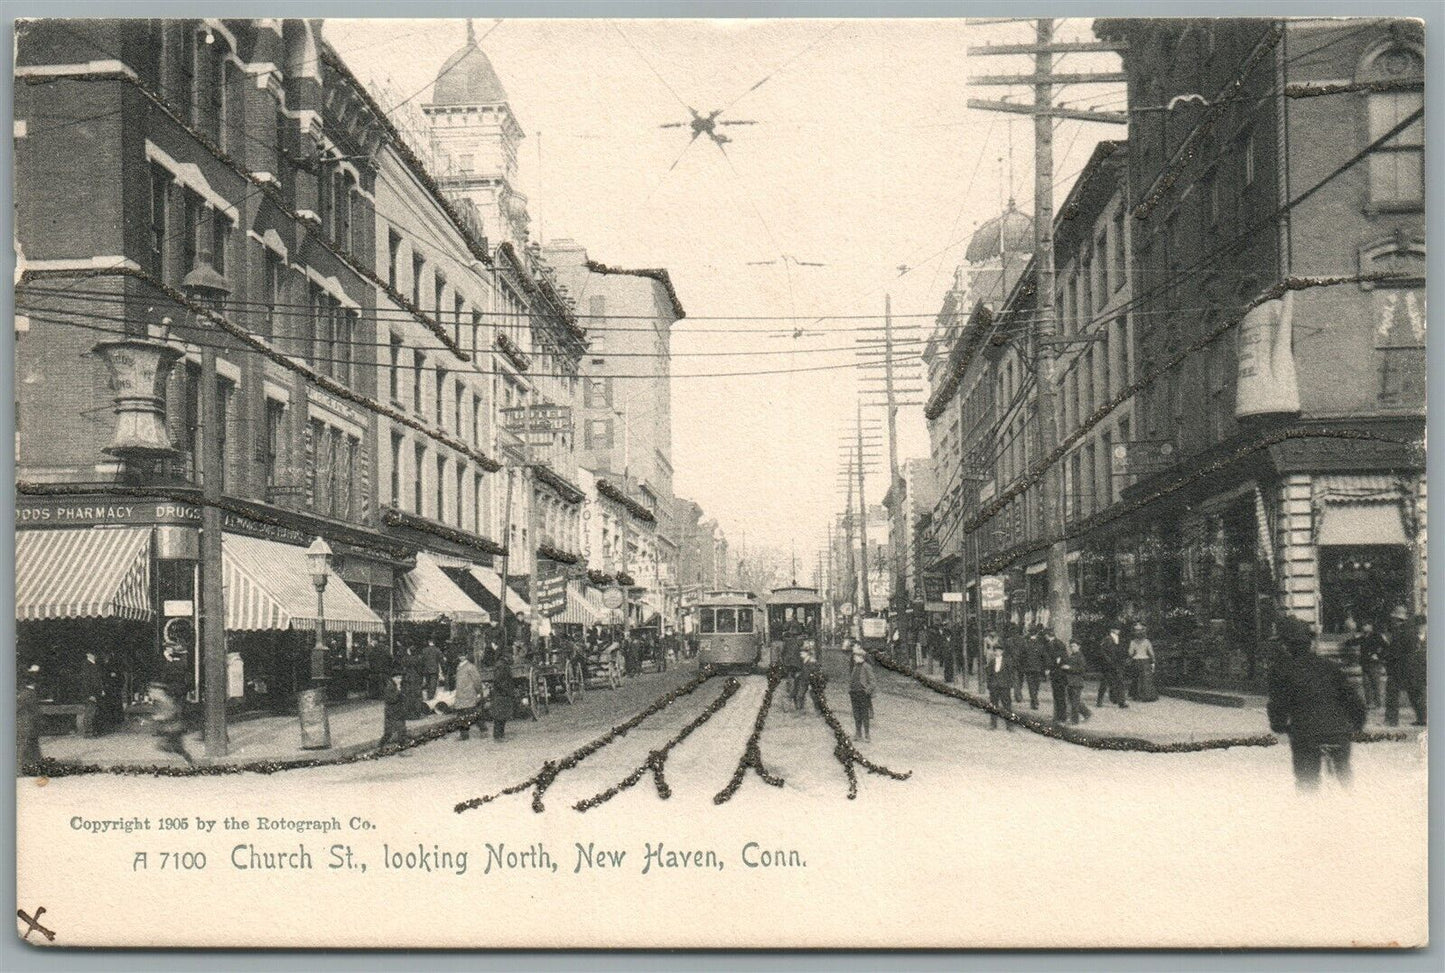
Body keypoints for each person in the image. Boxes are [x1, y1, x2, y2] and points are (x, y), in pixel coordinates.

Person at [1267, 616, 1366, 790]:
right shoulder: (1330, 667)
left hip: (1306, 733)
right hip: (1339, 732)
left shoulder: (1281, 672)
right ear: (1310, 643)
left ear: (1286, 646)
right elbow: (1353, 699)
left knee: (1307, 781)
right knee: (1344, 775)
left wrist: (1279, 725)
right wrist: (1357, 724)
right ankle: (1351, 799)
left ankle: (1309, 808)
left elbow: (1278, 705)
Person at [1382, 605, 1425, 726]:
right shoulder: (1410, 630)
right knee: (1414, 693)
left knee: (1392, 692)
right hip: (1412, 668)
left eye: (1394, 618)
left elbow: (1396, 651)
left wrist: (1387, 658)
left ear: (1398, 619)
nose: (1393, 620)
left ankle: (1391, 720)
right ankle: (1423, 718)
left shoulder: (1399, 631)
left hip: (1400, 667)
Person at [149, 679, 193, 766]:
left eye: (153, 691)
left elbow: (171, 713)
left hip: (174, 728)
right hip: (171, 728)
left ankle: (186, 763)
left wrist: (159, 717)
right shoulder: (161, 701)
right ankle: (186, 762)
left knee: (168, 747)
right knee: (172, 747)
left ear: (160, 691)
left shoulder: (165, 700)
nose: (151, 693)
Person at [453, 652, 486, 741]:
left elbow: (477, 680)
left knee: (472, 712)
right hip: (460, 694)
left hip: (469, 693)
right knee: (461, 714)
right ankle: (464, 735)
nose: (461, 657)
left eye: (463, 655)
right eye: (460, 655)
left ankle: (483, 730)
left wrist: (479, 692)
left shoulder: (471, 667)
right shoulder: (459, 666)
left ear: (466, 656)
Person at [984, 638, 1015, 732]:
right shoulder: (992, 662)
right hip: (994, 686)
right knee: (993, 705)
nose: (997, 652)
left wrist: (1010, 684)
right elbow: (988, 674)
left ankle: (1009, 726)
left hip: (1004, 686)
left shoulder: (1007, 661)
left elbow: (1011, 673)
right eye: (995, 651)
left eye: (999, 651)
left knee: (1007, 706)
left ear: (1002, 652)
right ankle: (993, 724)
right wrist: (989, 684)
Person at [1096, 624, 1129, 709]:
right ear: (1112, 630)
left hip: (1117, 664)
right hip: (1108, 665)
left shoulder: (1118, 639)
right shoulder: (1107, 639)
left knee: (1120, 682)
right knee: (1105, 682)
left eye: (1118, 629)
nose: (1118, 630)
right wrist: (1108, 661)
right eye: (1116, 629)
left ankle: (1121, 702)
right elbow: (1102, 651)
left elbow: (1121, 651)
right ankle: (1099, 701)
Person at [1042, 626, 1070, 723]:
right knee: (1057, 695)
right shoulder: (1053, 643)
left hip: (1059, 674)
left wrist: (1050, 667)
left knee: (1060, 696)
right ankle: (1059, 716)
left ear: (1047, 635)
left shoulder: (1057, 644)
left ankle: (1062, 717)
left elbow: (1059, 659)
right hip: (1056, 673)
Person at [17, 665, 43, 770]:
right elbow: (34, 710)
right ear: (34, 683)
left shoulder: (24, 693)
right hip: (28, 723)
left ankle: (33, 765)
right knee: (26, 745)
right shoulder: (29, 694)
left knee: (30, 745)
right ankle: (21, 768)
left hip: (26, 723)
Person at [848, 643, 876, 741]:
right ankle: (858, 733)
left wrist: (866, 691)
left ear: (861, 657)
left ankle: (867, 735)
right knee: (856, 714)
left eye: (855, 657)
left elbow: (873, 682)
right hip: (854, 693)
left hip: (862, 694)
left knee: (865, 714)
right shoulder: (855, 667)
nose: (854, 658)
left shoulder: (866, 666)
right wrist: (850, 690)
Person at [1355, 621, 1385, 710]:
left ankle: (1378, 704)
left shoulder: (1377, 636)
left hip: (1374, 664)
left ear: (1370, 626)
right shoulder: (1363, 637)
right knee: (1366, 684)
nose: (1363, 627)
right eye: (1363, 625)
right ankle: (1369, 703)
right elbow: (1352, 642)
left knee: (1375, 684)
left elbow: (1386, 647)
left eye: (1365, 625)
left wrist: (1378, 655)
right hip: (1365, 664)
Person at [1062, 637, 1092, 724]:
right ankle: (1087, 713)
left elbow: (1082, 670)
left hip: (1077, 682)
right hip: (1070, 682)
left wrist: (1069, 668)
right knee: (1074, 701)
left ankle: (1074, 721)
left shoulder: (1080, 656)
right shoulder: (1072, 655)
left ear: (1079, 646)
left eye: (1074, 646)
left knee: (1074, 702)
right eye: (1071, 646)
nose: (1072, 648)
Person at [1017, 625, 1046, 711]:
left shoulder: (1025, 644)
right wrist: (1044, 667)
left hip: (1028, 668)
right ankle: (1034, 700)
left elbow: (1021, 656)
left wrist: (1022, 666)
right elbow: (1043, 656)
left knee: (1031, 685)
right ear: (1036, 634)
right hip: (1037, 668)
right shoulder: (1040, 644)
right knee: (1036, 685)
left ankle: (1034, 700)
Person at [1128, 624, 1157, 702]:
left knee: (1136, 678)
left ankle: (1137, 696)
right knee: (1146, 679)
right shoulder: (1147, 641)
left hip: (1136, 660)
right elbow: (1151, 653)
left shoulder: (1133, 642)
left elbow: (1130, 653)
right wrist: (1153, 661)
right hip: (1145, 661)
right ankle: (1147, 696)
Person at [490, 661, 518, 741]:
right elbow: (499, 681)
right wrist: (507, 691)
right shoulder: (502, 666)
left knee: (502, 715)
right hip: (502, 694)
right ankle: (498, 736)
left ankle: (500, 735)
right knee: (500, 716)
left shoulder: (502, 665)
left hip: (502, 693)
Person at [380, 669, 408, 748]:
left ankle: (402, 746)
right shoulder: (389, 687)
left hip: (399, 712)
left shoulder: (397, 686)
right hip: (391, 713)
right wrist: (398, 691)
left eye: (401, 678)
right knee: (388, 732)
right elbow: (392, 699)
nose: (400, 680)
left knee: (402, 730)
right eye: (398, 678)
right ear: (393, 678)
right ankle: (381, 745)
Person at [80, 650, 105, 738]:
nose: (94, 655)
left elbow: (98, 680)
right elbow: (85, 682)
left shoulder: (94, 665)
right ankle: (88, 732)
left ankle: (93, 731)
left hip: (96, 692)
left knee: (95, 712)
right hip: (91, 693)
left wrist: (101, 690)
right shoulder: (86, 665)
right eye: (92, 654)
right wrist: (90, 694)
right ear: (88, 654)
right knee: (90, 712)